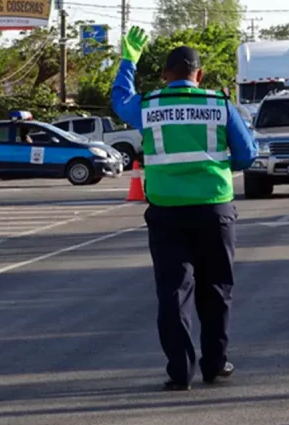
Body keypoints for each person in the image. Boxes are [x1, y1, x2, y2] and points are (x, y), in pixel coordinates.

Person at [110, 26, 258, 391]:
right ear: (200, 75)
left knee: (174, 292)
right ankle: (215, 364)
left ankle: (180, 372)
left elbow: (119, 99)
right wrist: (221, 166)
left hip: (167, 211)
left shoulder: (149, 105)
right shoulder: (219, 104)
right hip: (214, 209)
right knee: (217, 289)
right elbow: (247, 155)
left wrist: (129, 59)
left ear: (165, 75)